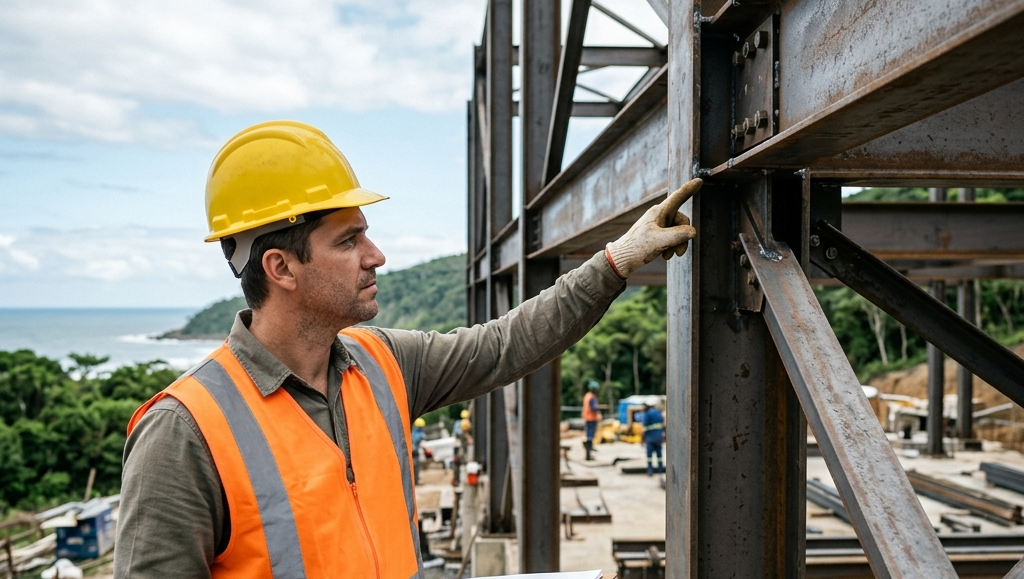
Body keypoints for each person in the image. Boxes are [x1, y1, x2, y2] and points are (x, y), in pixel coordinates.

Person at [114, 120, 699, 578]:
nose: (377, 255)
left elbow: (507, 343)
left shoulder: (381, 364)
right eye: (349, 239)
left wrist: (618, 259)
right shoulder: (185, 432)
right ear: (281, 267)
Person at [641, 402, 665, 476]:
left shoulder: (647, 414)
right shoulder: (658, 413)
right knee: (659, 456)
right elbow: (662, 423)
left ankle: (650, 471)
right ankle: (660, 470)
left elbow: (644, 427)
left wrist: (642, 439)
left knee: (649, 457)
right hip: (658, 437)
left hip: (650, 438)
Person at [582, 380, 602, 461]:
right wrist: (599, 408)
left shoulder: (587, 395)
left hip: (588, 418)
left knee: (588, 436)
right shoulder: (591, 397)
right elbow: (594, 408)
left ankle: (588, 455)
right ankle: (588, 454)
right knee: (590, 437)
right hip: (591, 419)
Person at [412, 417, 426, 485]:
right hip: (415, 451)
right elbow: (421, 442)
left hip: (411, 451)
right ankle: (416, 480)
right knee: (416, 466)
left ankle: (413, 480)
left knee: (412, 466)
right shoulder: (420, 434)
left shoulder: (413, 431)